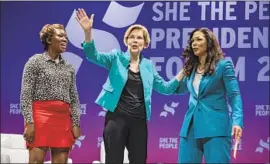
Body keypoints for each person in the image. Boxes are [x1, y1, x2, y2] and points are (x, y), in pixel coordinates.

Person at [75, 8, 185, 164]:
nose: (135, 40)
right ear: (126, 41)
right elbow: (93, 55)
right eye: (131, 37)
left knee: (139, 160)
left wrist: (183, 72)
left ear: (145, 44)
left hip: (139, 121)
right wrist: (88, 32)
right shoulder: (116, 57)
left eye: (139, 38)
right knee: (113, 160)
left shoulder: (148, 66)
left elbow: (165, 88)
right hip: (116, 119)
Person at [175, 28, 243, 163]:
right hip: (191, 127)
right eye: (192, 40)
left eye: (199, 39)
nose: (194, 43)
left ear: (209, 43)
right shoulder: (191, 69)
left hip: (216, 127)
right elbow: (175, 89)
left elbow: (234, 95)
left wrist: (237, 121)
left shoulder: (223, 65)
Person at [20, 23, 81, 163]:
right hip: (40, 116)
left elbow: (74, 97)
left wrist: (76, 123)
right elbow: (26, 94)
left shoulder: (69, 68)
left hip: (63, 119)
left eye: (66, 36)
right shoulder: (35, 61)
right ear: (48, 40)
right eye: (60, 36)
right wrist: (29, 122)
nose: (65, 39)